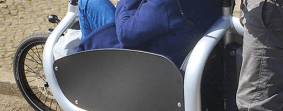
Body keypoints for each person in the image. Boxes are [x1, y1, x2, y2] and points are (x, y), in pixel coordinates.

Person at [75, 0, 222, 67]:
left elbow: (126, 34)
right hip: (172, 50)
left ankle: (83, 70)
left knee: (87, 2)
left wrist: (122, 3)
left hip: (141, 62)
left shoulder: (166, 4)